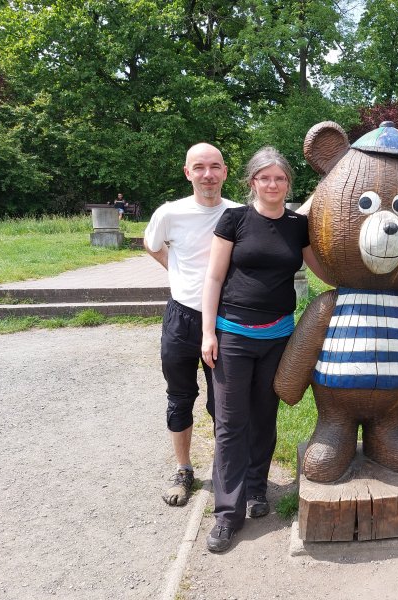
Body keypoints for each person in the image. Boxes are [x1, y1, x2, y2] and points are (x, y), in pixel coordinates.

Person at [200, 146, 328, 554]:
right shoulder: (234, 219)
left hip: (278, 337)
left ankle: (256, 491)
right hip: (233, 335)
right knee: (230, 423)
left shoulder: (296, 224)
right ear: (252, 182)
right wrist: (208, 333)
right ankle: (226, 513)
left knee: (263, 417)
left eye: (280, 178)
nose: (272, 184)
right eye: (264, 178)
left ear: (288, 183)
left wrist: (363, 277)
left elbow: (321, 269)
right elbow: (214, 278)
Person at [144, 143, 239, 508]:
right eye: (199, 167)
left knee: (224, 402)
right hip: (182, 318)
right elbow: (152, 245)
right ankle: (183, 468)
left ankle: (224, 467)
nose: (207, 174)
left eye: (215, 166)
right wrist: (176, 272)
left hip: (227, 318)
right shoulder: (170, 214)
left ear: (225, 172)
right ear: (188, 173)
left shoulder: (239, 213)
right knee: (180, 397)